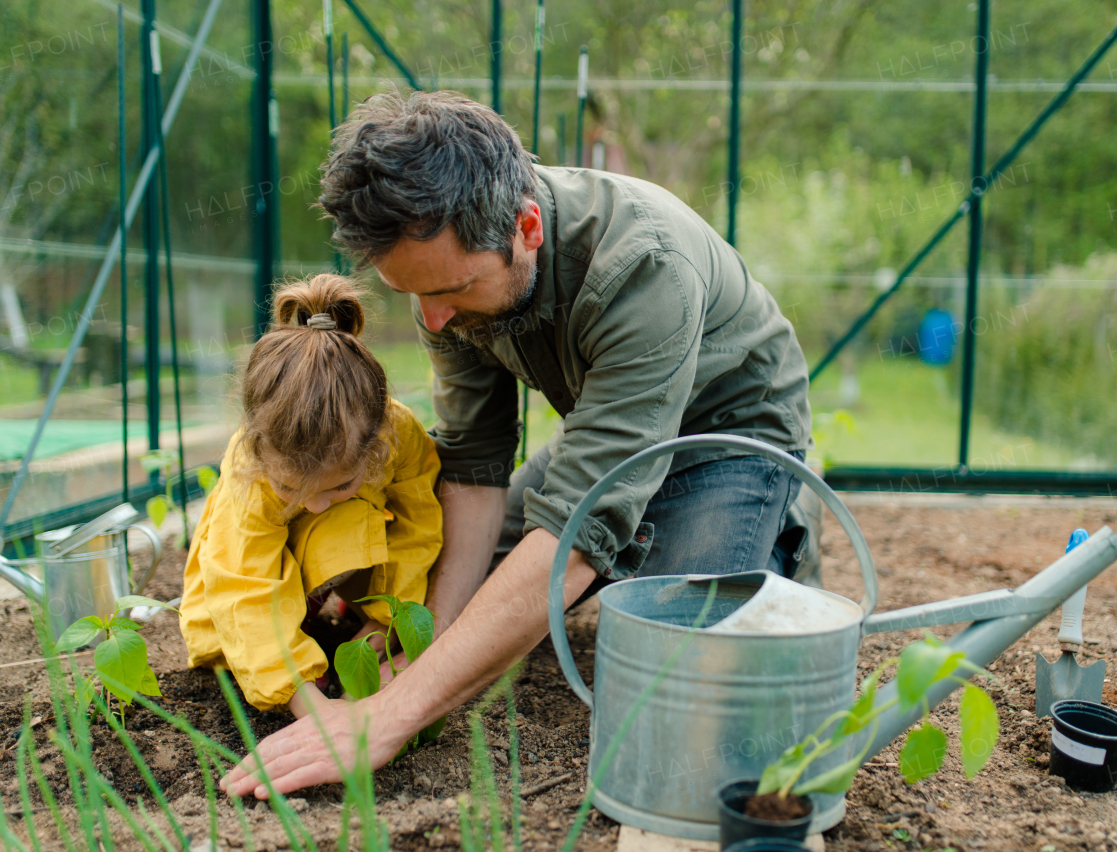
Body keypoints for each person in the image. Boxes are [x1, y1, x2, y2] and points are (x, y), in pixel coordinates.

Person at [220, 90, 811, 797]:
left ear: (527, 227)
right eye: (414, 296)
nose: (434, 319)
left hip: (728, 440)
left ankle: (772, 543)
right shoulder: (443, 278)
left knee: (673, 671)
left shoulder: (641, 268)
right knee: (443, 563)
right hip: (611, 434)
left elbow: (575, 534)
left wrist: (389, 717)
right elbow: (474, 464)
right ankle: (642, 551)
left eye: (452, 290)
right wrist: (420, 654)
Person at [180, 274, 443, 718]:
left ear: (375, 444)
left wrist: (384, 621)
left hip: (329, 561)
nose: (316, 503)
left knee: (355, 517)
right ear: (259, 453)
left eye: (340, 484)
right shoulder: (249, 469)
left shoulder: (397, 433)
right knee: (223, 634)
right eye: (289, 488)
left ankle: (333, 610)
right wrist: (309, 704)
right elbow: (244, 587)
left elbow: (417, 531)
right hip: (244, 578)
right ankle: (293, 643)